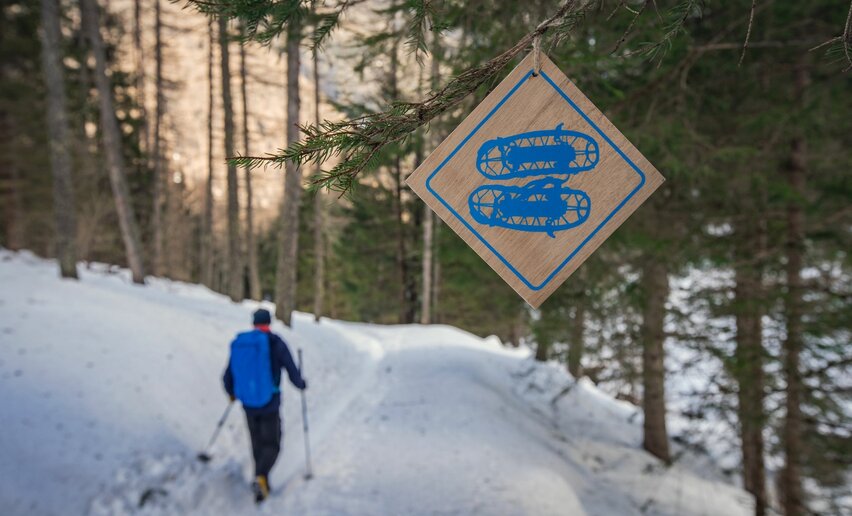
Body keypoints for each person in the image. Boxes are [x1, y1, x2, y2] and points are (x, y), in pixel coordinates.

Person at [223, 308, 307, 503]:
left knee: (257, 444)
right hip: (269, 402)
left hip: (248, 404)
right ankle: (261, 477)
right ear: (269, 323)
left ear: (254, 322)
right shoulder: (275, 342)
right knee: (273, 444)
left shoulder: (242, 344)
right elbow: (291, 368)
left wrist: (231, 393)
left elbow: (228, 374)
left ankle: (262, 482)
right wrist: (301, 384)